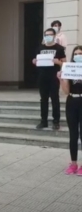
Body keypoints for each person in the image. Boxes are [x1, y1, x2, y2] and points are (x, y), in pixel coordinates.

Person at [33, 28, 66, 130]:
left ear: (54, 36)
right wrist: (34, 61)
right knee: (43, 99)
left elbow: (65, 63)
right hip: (42, 76)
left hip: (54, 76)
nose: (48, 36)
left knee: (55, 98)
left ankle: (56, 121)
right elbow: (36, 59)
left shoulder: (59, 48)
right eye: (46, 35)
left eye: (50, 34)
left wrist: (58, 62)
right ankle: (44, 121)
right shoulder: (40, 48)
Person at [58, 45, 82, 175]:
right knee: (73, 134)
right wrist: (61, 79)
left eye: (80, 54)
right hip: (72, 102)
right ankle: (73, 163)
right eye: (76, 54)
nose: (78, 56)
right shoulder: (70, 68)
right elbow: (66, 91)